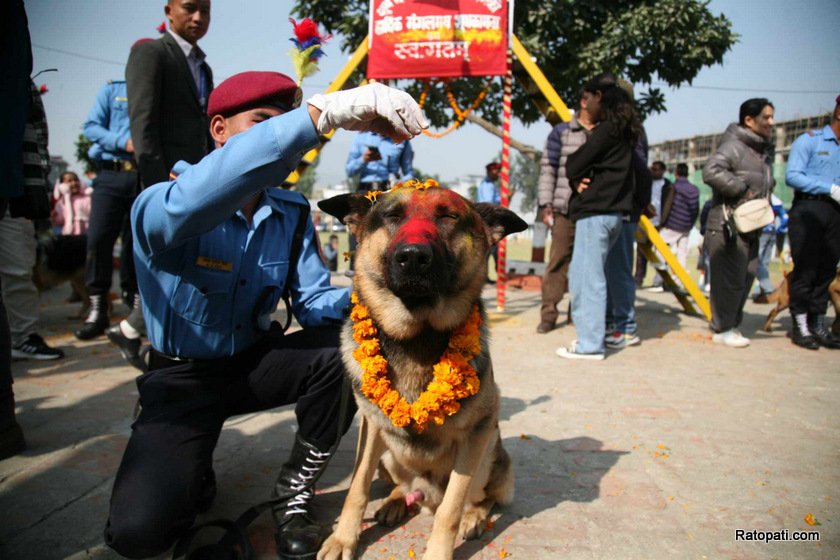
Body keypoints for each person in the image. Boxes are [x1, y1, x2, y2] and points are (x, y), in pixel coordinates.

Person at [102, 75, 427, 559]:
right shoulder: (165, 202)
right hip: (181, 381)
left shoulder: (290, 212)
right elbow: (201, 194)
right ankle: (184, 456)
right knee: (139, 533)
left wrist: (375, 298)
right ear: (219, 129)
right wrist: (319, 115)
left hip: (251, 364)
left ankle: (293, 492)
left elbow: (314, 302)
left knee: (345, 350)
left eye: (288, 127)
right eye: (262, 125)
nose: (284, 143)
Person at [556, 80, 641, 360]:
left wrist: (579, 175)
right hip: (616, 214)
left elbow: (574, 163)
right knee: (604, 276)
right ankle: (605, 333)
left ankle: (590, 344)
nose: (585, 103)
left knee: (585, 279)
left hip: (596, 214)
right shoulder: (628, 133)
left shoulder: (606, 130)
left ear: (599, 97)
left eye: (588, 97)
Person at [74, 78, 143, 348]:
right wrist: (123, 142)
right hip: (111, 172)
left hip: (143, 174)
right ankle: (98, 307)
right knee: (99, 239)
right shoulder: (114, 89)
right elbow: (91, 127)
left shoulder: (163, 88)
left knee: (137, 244)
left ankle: (137, 311)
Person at [702, 98, 776, 348]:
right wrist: (741, 189)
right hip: (728, 226)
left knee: (747, 275)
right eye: (766, 117)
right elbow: (710, 171)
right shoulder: (734, 146)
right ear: (748, 120)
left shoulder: (762, 151)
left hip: (753, 225)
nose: (771, 122)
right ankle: (722, 328)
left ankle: (731, 325)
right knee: (729, 280)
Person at [0, 79, 64, 363]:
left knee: (18, 268)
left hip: (14, 187)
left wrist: (35, 184)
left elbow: (38, 135)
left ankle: (23, 336)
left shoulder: (20, 80)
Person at [126, 0, 214, 187]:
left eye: (205, 11)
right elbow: (143, 126)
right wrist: (158, 188)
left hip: (198, 182)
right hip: (166, 182)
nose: (198, 18)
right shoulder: (152, 53)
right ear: (169, 12)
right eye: (189, 8)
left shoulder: (204, 68)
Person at [783, 94, 840, 350]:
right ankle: (800, 324)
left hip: (836, 212)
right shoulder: (810, 140)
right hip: (809, 208)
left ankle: (818, 322)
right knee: (805, 268)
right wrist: (828, 187)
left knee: (827, 269)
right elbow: (792, 175)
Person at [536, 93, 595, 333]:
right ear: (584, 101)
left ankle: (576, 313)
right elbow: (548, 169)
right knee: (557, 262)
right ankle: (549, 313)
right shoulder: (561, 132)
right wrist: (545, 203)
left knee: (587, 265)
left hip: (593, 209)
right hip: (564, 209)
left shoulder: (603, 132)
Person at [604, 76, 652, 350]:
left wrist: (639, 204)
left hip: (624, 210)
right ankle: (613, 321)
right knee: (609, 270)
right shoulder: (616, 128)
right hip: (615, 208)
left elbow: (641, 171)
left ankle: (625, 326)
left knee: (620, 270)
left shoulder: (631, 131)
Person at [344, 131, 413, 274]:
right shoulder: (361, 137)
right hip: (365, 191)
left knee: (389, 233)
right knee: (357, 230)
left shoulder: (401, 140)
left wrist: (404, 186)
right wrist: (363, 159)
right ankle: (354, 272)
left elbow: (408, 173)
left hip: (388, 191)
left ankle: (389, 272)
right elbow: (349, 170)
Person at [656, 163, 700, 290]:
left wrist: (662, 223)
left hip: (673, 225)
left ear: (676, 173)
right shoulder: (695, 189)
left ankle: (660, 280)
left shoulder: (674, 187)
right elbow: (696, 209)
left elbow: (667, 206)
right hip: (686, 226)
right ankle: (680, 282)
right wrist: (690, 224)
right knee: (682, 255)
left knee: (659, 250)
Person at [636, 161, 672, 287]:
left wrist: (664, 222)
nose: (653, 171)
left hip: (660, 224)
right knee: (641, 253)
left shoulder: (668, 186)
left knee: (661, 254)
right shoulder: (646, 182)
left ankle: (661, 281)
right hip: (645, 222)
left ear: (662, 171)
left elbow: (669, 204)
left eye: (656, 169)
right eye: (652, 168)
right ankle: (639, 278)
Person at [752, 193, 787, 302]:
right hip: (772, 233)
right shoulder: (776, 200)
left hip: (761, 232)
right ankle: (762, 290)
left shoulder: (758, 197)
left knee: (756, 261)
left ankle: (767, 289)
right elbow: (785, 218)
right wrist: (779, 230)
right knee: (764, 263)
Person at [478, 161, 502, 282]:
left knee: (489, 251)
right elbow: (489, 205)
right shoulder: (488, 186)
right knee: (493, 250)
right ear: (489, 171)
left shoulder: (490, 184)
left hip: (488, 220)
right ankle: (496, 274)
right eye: (496, 171)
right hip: (488, 221)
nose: (498, 173)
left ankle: (486, 276)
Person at [51, 171, 92, 235]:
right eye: (69, 181)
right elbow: (60, 221)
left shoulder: (86, 198)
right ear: (62, 185)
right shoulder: (61, 202)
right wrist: (55, 217)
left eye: (76, 180)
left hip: (86, 233)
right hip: (68, 235)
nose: (74, 183)